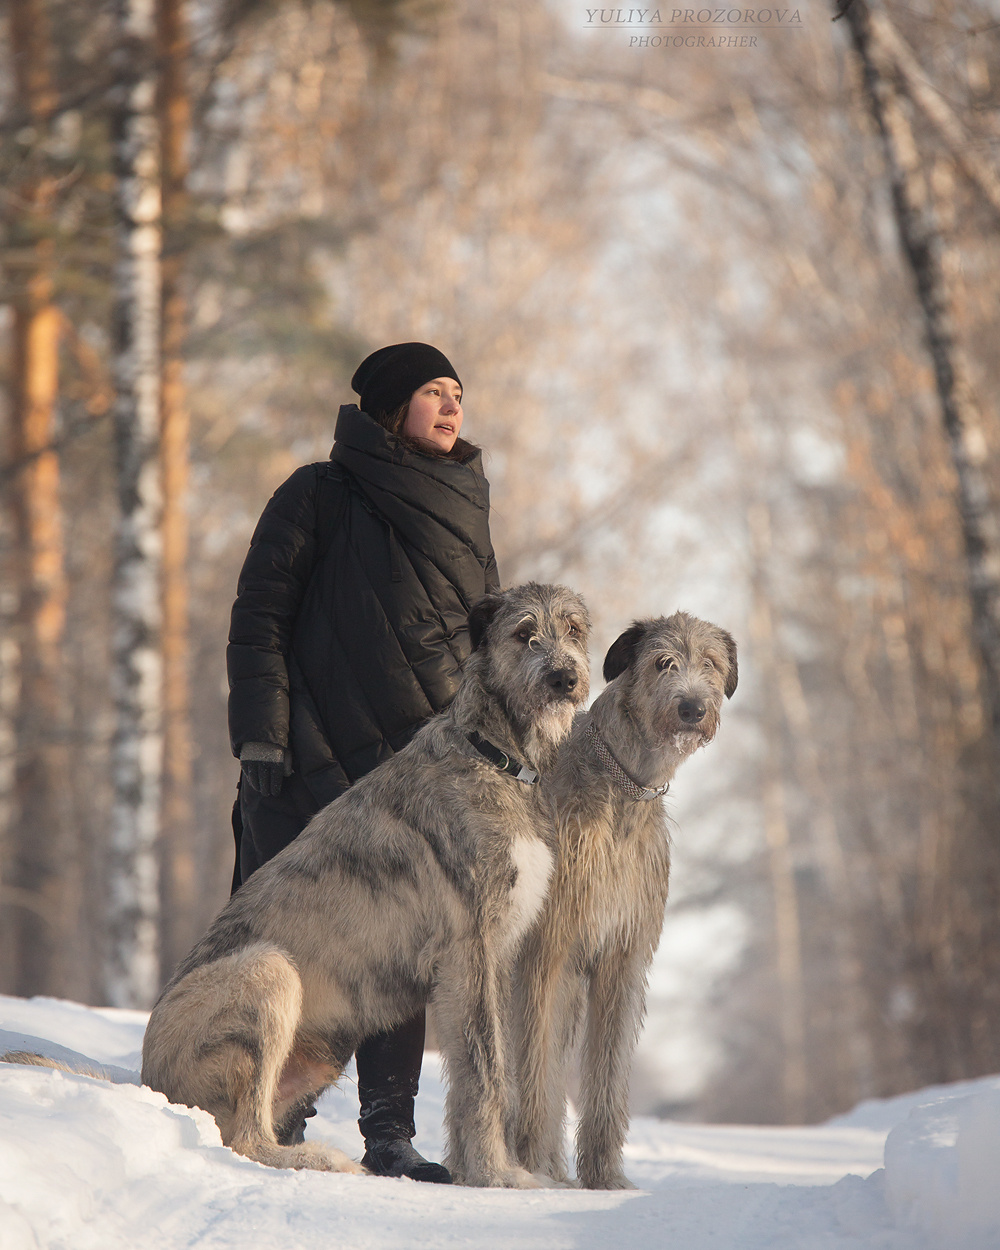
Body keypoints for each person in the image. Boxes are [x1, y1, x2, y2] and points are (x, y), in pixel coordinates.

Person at [227, 342, 499, 1183]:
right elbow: (260, 615)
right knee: (288, 941)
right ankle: (269, 1104)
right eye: (431, 392)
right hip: (304, 759)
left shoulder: (466, 498)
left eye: (457, 393)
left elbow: (488, 646)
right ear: (390, 406)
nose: (452, 407)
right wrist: (262, 734)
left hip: (418, 771)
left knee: (405, 948)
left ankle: (390, 1133)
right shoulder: (319, 492)